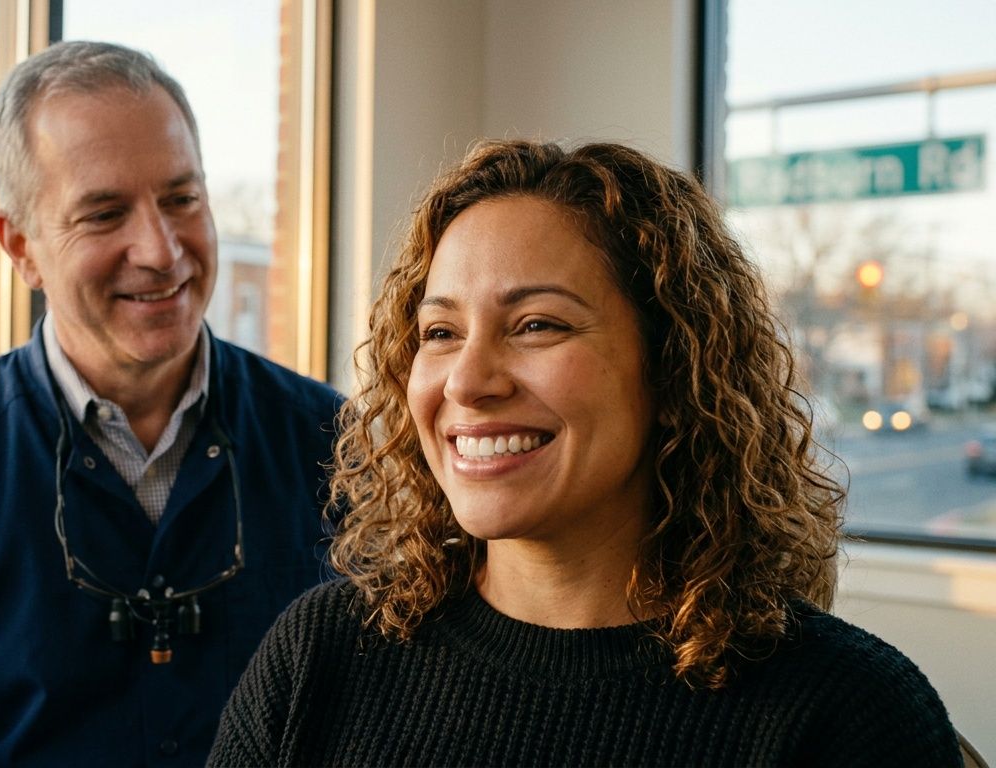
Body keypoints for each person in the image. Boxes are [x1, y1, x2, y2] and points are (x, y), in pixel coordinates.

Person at [209, 140, 963, 767]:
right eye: (440, 333)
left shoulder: (847, 715)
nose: (467, 382)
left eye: (537, 325)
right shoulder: (320, 656)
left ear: (675, 369)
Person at [0, 41, 342, 766]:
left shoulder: (331, 441)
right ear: (21, 247)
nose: (162, 250)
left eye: (182, 198)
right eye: (105, 214)